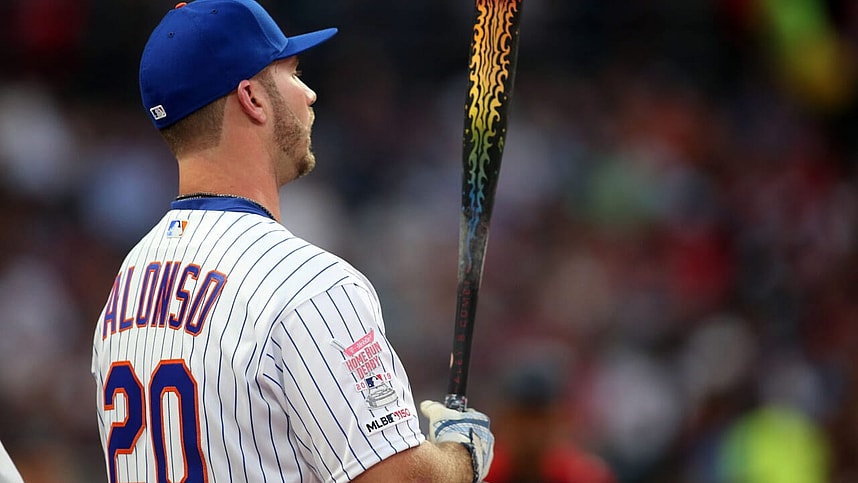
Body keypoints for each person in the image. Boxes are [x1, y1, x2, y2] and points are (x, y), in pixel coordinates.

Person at [90, 0, 494, 482]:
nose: (309, 93)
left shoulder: (126, 283)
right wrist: (461, 455)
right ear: (252, 98)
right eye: (292, 72)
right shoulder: (311, 285)